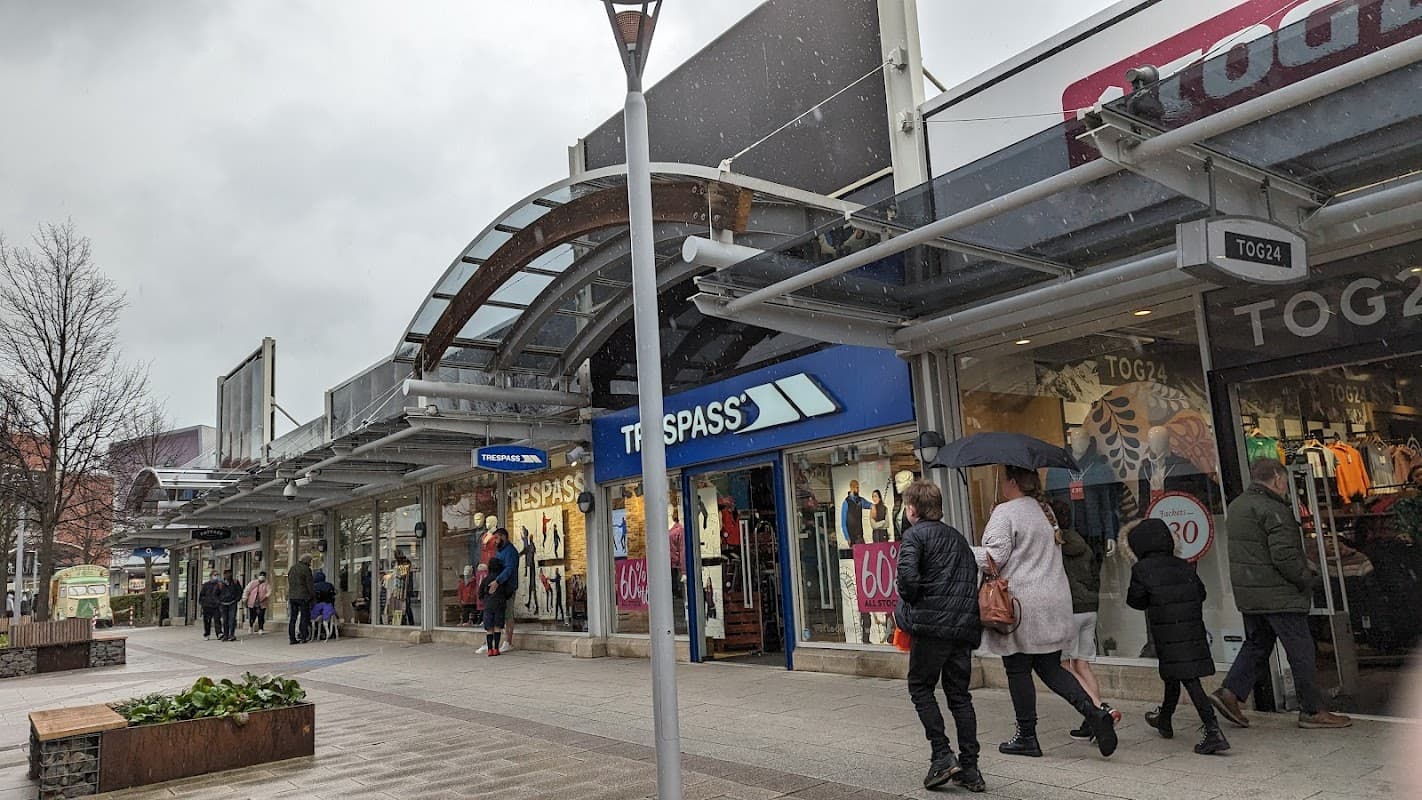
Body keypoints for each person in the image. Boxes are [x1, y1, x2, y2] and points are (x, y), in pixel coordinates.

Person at [973, 465, 1118, 759]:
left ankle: (1027, 736)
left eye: (1004, 479)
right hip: (1054, 598)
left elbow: (993, 559)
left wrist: (968, 549)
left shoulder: (1006, 512)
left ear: (1012, 481)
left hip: (1023, 604)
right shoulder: (1045, 510)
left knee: (1017, 668)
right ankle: (1093, 713)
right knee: (1050, 667)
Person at [1211, 459, 1352, 729]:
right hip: (1278, 594)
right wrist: (1306, 577)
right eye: (1286, 482)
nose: (1287, 487)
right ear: (1277, 479)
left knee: (1258, 643)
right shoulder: (1273, 509)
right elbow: (1284, 555)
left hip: (1252, 593)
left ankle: (1229, 693)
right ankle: (1312, 710)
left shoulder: (1238, 506)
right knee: (1301, 650)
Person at [895, 480, 985, 793]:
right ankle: (970, 767)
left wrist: (910, 599)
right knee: (959, 695)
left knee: (920, 687)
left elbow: (907, 580)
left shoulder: (914, 535)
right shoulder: (957, 538)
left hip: (932, 627)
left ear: (912, 509)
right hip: (962, 628)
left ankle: (942, 753)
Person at [1126, 519, 1230, 755]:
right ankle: (1164, 719)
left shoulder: (1142, 569)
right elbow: (1201, 592)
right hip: (1191, 629)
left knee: (1189, 679)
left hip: (1166, 632)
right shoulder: (1182, 565)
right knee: (1173, 676)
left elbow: (1135, 600)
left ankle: (1212, 729)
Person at [1056, 500, 1118, 742]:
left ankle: (1097, 710)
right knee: (1082, 664)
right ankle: (1091, 719)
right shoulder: (1085, 545)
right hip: (1089, 608)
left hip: (1069, 609)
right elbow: (1094, 576)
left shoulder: (1056, 548)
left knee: (1064, 666)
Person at [482, 528, 520, 653]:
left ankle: (508, 641)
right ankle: (490, 643)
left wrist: (498, 581)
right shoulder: (499, 551)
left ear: (504, 537)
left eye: (498, 538)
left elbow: (509, 569)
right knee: (494, 614)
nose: (496, 541)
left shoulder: (511, 552)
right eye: (495, 538)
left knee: (508, 614)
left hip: (507, 587)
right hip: (497, 587)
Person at [480, 555, 508, 656]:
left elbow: (480, 593)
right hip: (499, 604)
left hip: (488, 606)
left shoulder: (486, 579)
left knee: (489, 628)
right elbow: (507, 592)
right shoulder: (501, 580)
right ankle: (496, 649)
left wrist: (485, 599)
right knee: (497, 627)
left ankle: (489, 650)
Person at [287, 554, 315, 645]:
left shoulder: (292, 568)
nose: (310, 563)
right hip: (303, 596)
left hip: (292, 596)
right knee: (304, 616)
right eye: (310, 561)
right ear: (307, 561)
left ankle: (292, 638)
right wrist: (312, 596)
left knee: (293, 618)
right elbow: (309, 584)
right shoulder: (306, 570)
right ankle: (303, 636)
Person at [311, 570, 337, 639]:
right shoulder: (329, 585)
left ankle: (314, 633)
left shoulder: (314, 586)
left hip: (318, 609)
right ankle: (328, 632)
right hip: (329, 608)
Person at [218, 570, 242, 642]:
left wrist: (236, 599)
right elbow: (216, 593)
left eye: (229, 574)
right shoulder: (220, 583)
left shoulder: (235, 582)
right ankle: (225, 635)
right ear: (224, 575)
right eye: (226, 574)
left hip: (232, 603)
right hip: (223, 604)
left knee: (232, 619)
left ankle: (231, 634)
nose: (228, 575)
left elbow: (240, 591)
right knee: (225, 620)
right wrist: (219, 601)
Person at [198, 570, 222, 640]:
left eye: (217, 575)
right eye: (215, 575)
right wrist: (202, 603)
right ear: (211, 576)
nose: (216, 577)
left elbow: (221, 594)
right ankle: (207, 634)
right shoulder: (206, 585)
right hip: (207, 606)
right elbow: (202, 595)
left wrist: (219, 602)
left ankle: (219, 633)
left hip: (216, 606)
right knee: (207, 621)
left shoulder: (219, 585)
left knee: (217, 620)